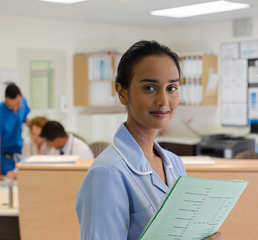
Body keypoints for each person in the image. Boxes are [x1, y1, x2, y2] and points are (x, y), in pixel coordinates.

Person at [75, 40, 222, 240]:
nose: (163, 101)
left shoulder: (174, 164)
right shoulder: (107, 173)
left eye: (171, 88)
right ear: (122, 93)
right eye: (150, 88)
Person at [0, 83, 30, 180]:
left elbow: (25, 119)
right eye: (11, 106)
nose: (15, 109)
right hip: (6, 157)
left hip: (20, 153)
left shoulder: (23, 102)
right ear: (6, 99)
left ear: (21, 97)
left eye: (17, 104)